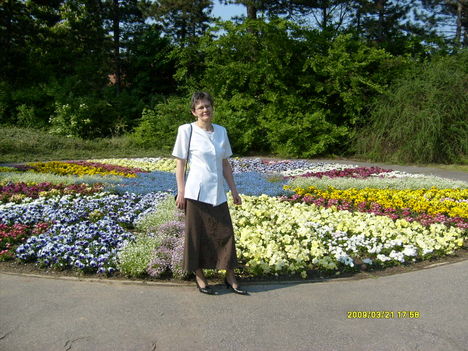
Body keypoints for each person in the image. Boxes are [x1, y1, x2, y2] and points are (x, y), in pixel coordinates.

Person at [172, 92, 248, 295]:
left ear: (212, 108)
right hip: (195, 192)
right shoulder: (186, 131)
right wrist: (181, 191)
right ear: (194, 112)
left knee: (225, 234)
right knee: (197, 235)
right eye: (200, 107)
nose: (205, 110)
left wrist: (234, 190)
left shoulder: (221, 132)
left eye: (208, 106)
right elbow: (180, 164)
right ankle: (200, 277)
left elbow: (225, 164)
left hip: (217, 193)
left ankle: (229, 275)